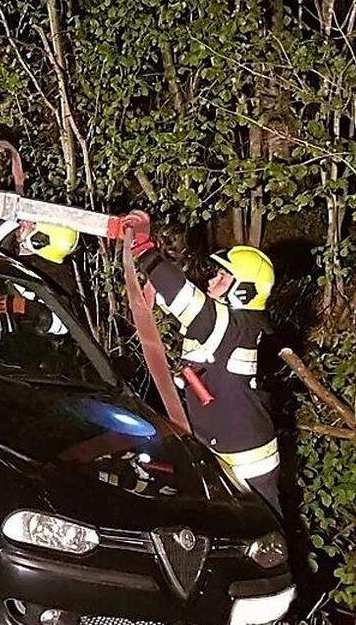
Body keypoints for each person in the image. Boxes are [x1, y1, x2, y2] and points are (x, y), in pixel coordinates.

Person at [126, 212, 282, 514]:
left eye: (223, 278)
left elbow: (185, 299)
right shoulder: (239, 325)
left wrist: (146, 252)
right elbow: (176, 301)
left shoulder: (233, 327)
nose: (212, 280)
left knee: (263, 540)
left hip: (244, 460)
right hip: (226, 448)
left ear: (244, 290)